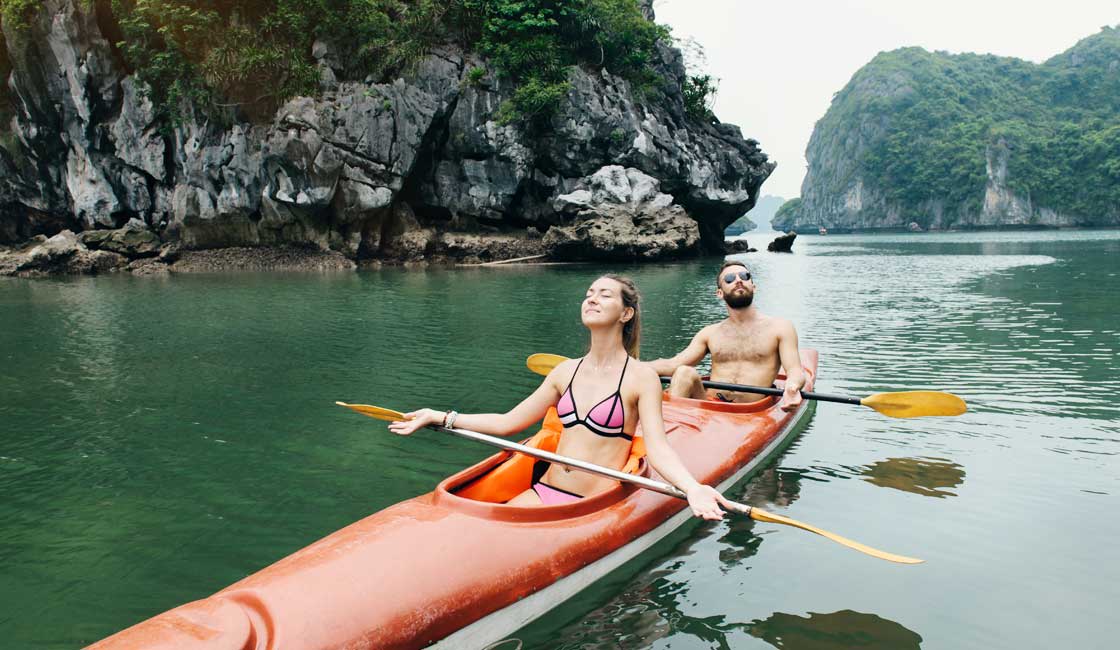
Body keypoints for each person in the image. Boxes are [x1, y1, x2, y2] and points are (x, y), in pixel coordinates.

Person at [388, 274, 732, 520]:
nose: (592, 298)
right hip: (545, 492)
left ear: (626, 313)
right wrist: (441, 416)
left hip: (594, 503)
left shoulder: (641, 378)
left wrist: (692, 487)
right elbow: (508, 422)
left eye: (605, 294)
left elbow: (657, 448)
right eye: (589, 293)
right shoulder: (564, 372)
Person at [649, 261, 806, 410]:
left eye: (744, 276)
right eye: (730, 279)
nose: (738, 281)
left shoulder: (780, 328)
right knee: (684, 372)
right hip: (711, 405)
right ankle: (669, 432)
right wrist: (629, 366)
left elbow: (794, 371)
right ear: (719, 293)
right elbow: (672, 364)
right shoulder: (709, 333)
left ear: (754, 287)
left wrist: (792, 387)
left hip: (751, 410)